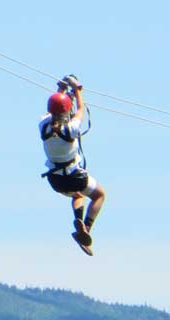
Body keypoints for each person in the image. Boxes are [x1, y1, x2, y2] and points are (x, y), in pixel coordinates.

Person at [40, 75, 106, 255]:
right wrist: (77, 91)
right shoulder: (71, 129)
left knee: (77, 196)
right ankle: (86, 227)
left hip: (55, 179)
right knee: (99, 195)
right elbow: (80, 109)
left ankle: (78, 220)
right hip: (74, 175)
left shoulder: (43, 126)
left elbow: (53, 108)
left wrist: (61, 90)